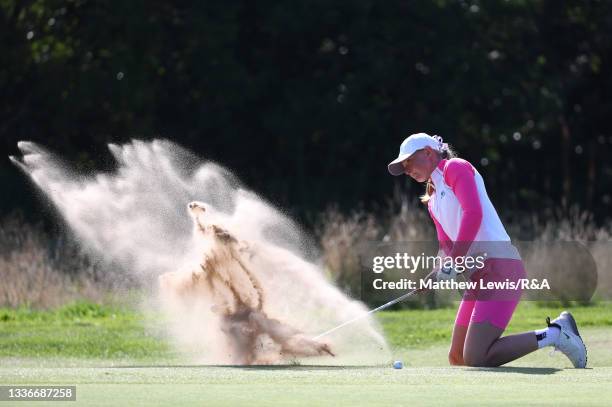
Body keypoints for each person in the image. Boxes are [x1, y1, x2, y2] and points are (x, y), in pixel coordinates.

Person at [387, 133, 587, 368]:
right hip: (478, 278)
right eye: (403, 166)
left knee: (476, 357)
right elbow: (446, 247)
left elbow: (474, 214)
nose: (407, 169)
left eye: (409, 161)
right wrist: (434, 274)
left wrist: (454, 262)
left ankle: (555, 334)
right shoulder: (432, 200)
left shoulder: (455, 168)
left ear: (428, 153)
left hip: (500, 269)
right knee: (458, 358)